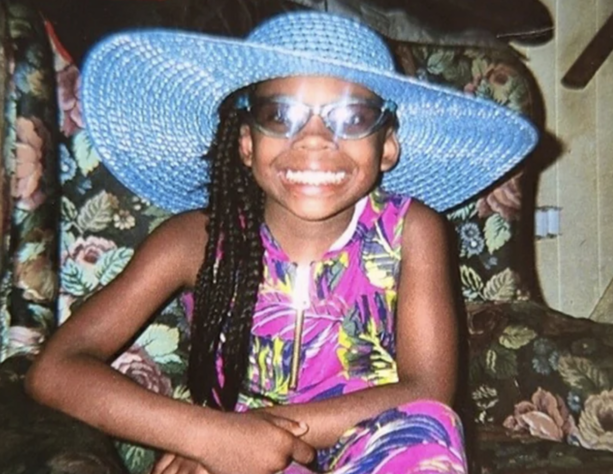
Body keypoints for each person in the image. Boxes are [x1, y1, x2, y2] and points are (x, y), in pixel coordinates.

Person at [25, 11, 538, 474]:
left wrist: (254, 432)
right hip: (245, 461)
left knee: (426, 430)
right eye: (280, 116)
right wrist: (202, 436)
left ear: (387, 146)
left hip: (380, 447)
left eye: (352, 118)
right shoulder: (193, 241)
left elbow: (427, 390)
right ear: (247, 143)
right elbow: (56, 369)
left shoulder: (412, 231)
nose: (314, 139)